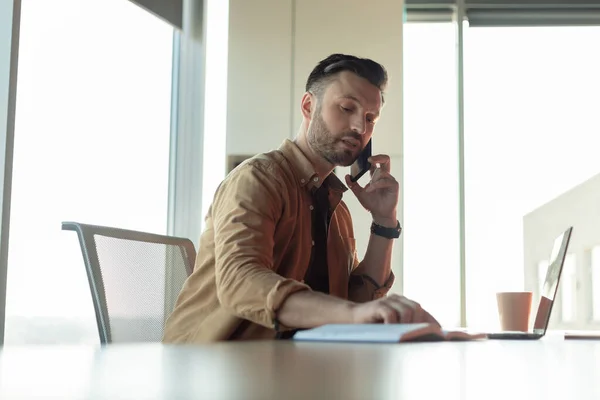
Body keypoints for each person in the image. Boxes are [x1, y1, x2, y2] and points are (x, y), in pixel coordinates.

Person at [163, 53, 438, 343]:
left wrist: (384, 222)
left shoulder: (335, 208)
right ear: (309, 106)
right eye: (347, 108)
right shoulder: (257, 179)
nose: (360, 127)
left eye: (370, 118)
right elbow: (240, 281)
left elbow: (352, 305)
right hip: (208, 368)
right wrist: (353, 315)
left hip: (287, 370)